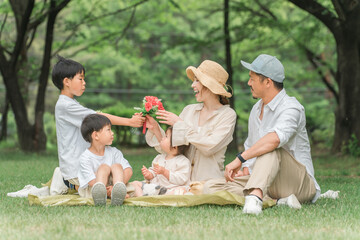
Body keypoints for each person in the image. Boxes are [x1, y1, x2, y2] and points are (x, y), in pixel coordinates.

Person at [203, 54, 321, 215]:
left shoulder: (292, 108)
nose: (248, 82)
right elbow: (251, 145)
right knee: (211, 187)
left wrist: (239, 159)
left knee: (271, 147)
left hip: (299, 184)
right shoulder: (256, 109)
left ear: (267, 82)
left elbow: (273, 141)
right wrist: (246, 168)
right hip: (268, 181)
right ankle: (277, 201)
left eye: (252, 79)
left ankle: (255, 199)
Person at [51, 55, 144, 192]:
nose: (84, 83)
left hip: (86, 166)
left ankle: (111, 189)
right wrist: (129, 122)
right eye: (80, 79)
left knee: (122, 171)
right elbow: (98, 118)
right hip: (77, 169)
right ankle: (86, 188)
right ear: (67, 81)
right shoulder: (65, 105)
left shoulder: (70, 103)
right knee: (115, 179)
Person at [146, 60, 237, 181]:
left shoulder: (227, 115)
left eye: (197, 80)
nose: (192, 85)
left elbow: (210, 147)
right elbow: (172, 149)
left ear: (209, 85)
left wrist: (180, 125)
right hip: (180, 181)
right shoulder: (188, 110)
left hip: (208, 183)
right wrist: (155, 128)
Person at [78, 114, 131, 206]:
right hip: (93, 189)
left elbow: (128, 170)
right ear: (96, 135)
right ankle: (101, 195)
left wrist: (114, 187)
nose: (112, 133)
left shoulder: (114, 152)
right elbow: (91, 181)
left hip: (112, 185)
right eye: (108, 130)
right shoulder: (85, 157)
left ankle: (118, 191)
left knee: (117, 166)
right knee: (104, 167)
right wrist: (107, 190)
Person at [131, 126, 191, 196]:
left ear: (175, 146)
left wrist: (165, 172)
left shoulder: (183, 161)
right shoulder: (159, 158)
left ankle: (154, 196)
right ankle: (142, 198)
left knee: (180, 191)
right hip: (154, 187)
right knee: (135, 184)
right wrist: (149, 174)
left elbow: (182, 179)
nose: (162, 138)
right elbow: (153, 172)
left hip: (170, 189)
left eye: (166, 137)